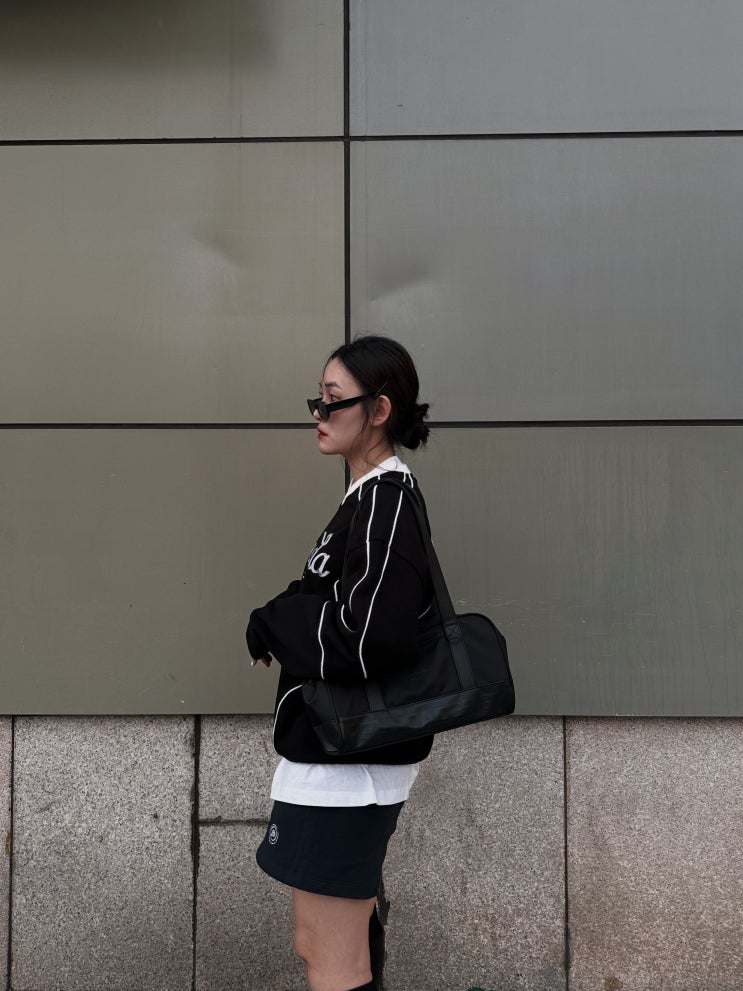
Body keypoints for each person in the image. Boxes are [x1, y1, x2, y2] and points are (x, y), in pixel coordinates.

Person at [246, 335, 434, 991]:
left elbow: (370, 638)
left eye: (333, 400)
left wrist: (274, 620)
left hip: (349, 769)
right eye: (318, 400)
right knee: (327, 948)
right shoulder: (365, 498)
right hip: (337, 762)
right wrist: (284, 613)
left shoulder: (386, 500)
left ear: (379, 410)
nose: (319, 414)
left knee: (332, 959)